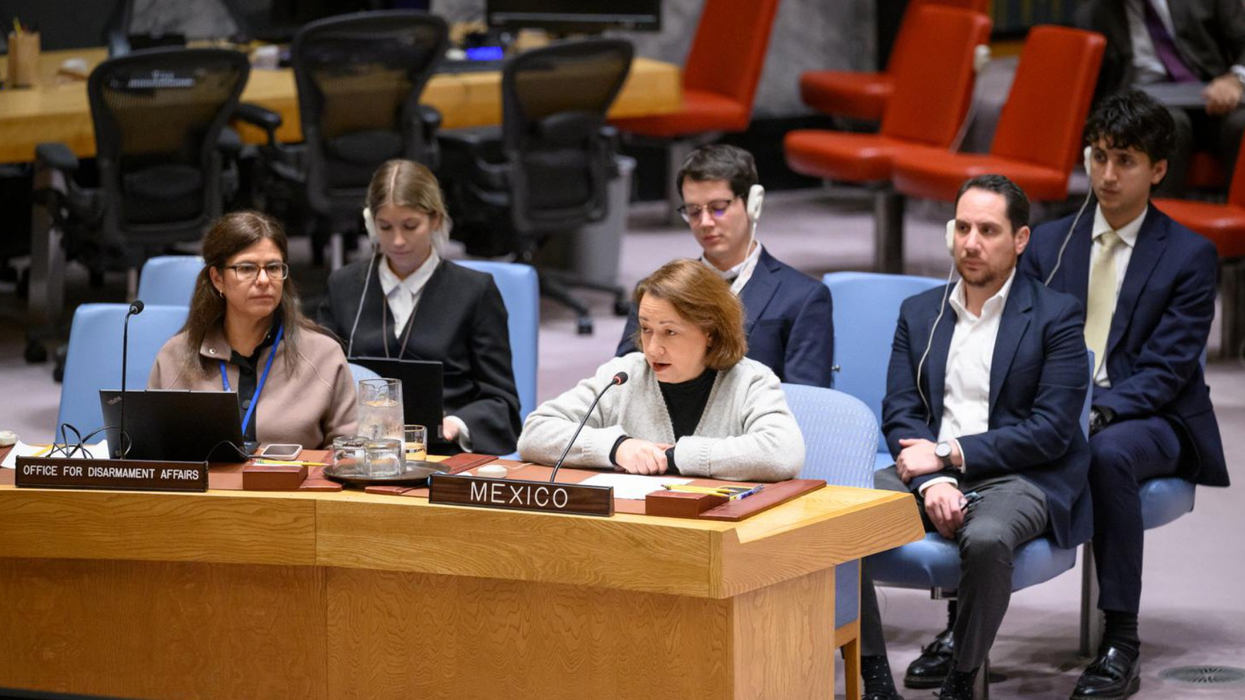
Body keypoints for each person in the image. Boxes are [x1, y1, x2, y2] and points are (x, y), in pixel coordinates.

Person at [1020, 91, 1228, 700]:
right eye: (1100, 156)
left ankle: (1121, 638)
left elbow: (1168, 370)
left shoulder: (1190, 255)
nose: (1107, 175)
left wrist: (1096, 411)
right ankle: (964, 624)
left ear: (1158, 170)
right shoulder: (1051, 243)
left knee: (1109, 452)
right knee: (985, 438)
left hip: (1152, 415)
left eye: (1126, 161)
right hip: (1062, 406)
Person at [860, 175, 1091, 700]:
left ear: (1021, 239)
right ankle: (872, 675)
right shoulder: (921, 313)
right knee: (834, 519)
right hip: (927, 473)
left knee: (986, 539)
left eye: (988, 230)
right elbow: (900, 409)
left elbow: (1051, 432)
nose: (970, 242)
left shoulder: (1056, 316)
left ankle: (962, 680)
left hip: (1021, 474)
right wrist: (932, 481)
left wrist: (946, 455)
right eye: (962, 227)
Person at [520, 259, 804, 482]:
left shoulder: (751, 380)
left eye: (670, 332)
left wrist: (676, 456)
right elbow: (535, 432)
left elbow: (783, 452)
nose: (653, 348)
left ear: (711, 332)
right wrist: (616, 447)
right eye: (646, 329)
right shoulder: (623, 376)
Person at [318, 159, 521, 456]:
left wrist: (455, 424)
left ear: (436, 219)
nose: (398, 240)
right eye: (385, 227)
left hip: (442, 452)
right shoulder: (344, 286)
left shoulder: (475, 291)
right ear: (369, 222)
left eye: (410, 226)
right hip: (358, 451)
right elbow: (320, 379)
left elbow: (502, 401)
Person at [615, 144, 834, 388]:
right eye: (693, 211)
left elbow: (808, 402)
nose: (705, 222)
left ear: (753, 204)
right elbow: (625, 379)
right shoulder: (656, 292)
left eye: (718, 207)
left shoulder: (802, 298)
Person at [149, 211, 356, 450]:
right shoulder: (175, 357)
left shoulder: (323, 355)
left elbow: (348, 456)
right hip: (206, 487)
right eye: (247, 268)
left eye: (273, 268)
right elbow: (154, 455)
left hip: (292, 487)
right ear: (217, 279)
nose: (264, 280)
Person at [1078, 0, 1245, 195]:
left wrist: (1235, 79)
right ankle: (1156, 222)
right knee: (1167, 124)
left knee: (1240, 123)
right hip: (1143, 102)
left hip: (1210, 95)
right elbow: (1093, 88)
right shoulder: (1095, 12)